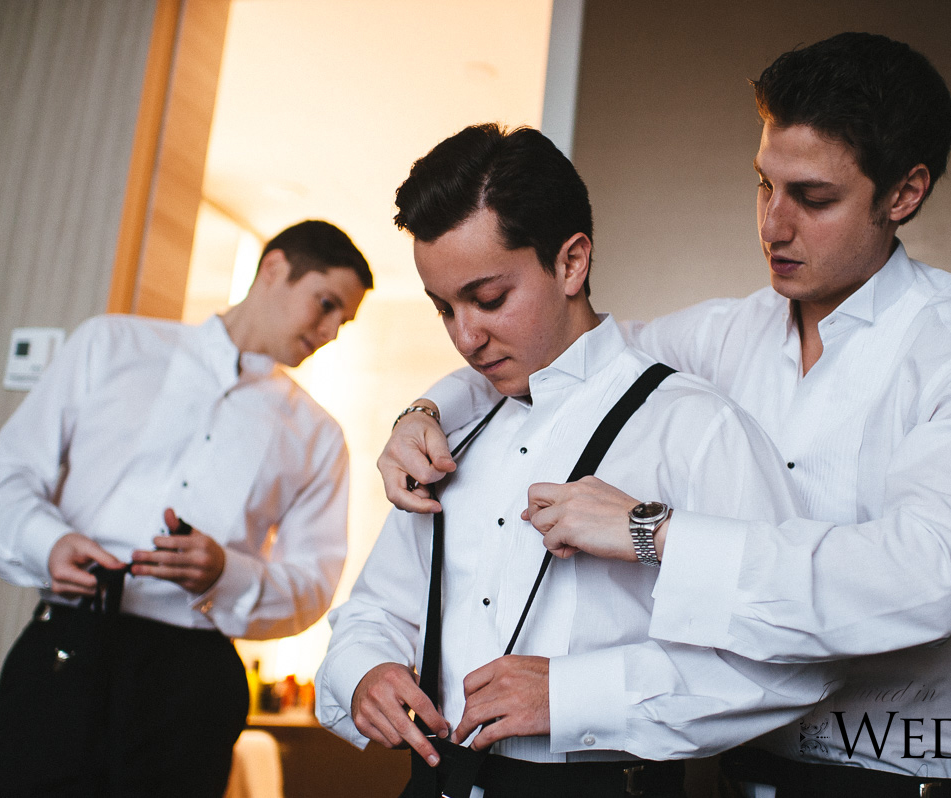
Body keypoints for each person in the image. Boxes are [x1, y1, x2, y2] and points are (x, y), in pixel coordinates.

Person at [378, 33, 951, 798]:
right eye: (764, 185)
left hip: (888, 778)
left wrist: (651, 532)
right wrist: (422, 408)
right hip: (729, 770)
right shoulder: (723, 335)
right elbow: (569, 355)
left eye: (814, 198)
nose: (773, 224)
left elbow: (923, 580)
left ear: (904, 194)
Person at [316, 123, 836, 798]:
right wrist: (365, 671)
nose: (466, 337)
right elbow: (374, 610)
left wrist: (577, 695)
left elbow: (793, 660)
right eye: (444, 309)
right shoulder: (450, 432)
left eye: (489, 298)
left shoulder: (694, 429)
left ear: (571, 262)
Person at [0, 219, 372, 797]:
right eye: (326, 305)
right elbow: (3, 478)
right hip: (65, 651)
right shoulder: (110, 345)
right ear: (275, 268)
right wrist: (47, 542)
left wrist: (225, 574)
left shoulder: (319, 436)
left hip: (194, 683)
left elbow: (313, 584)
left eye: (344, 321)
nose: (331, 331)